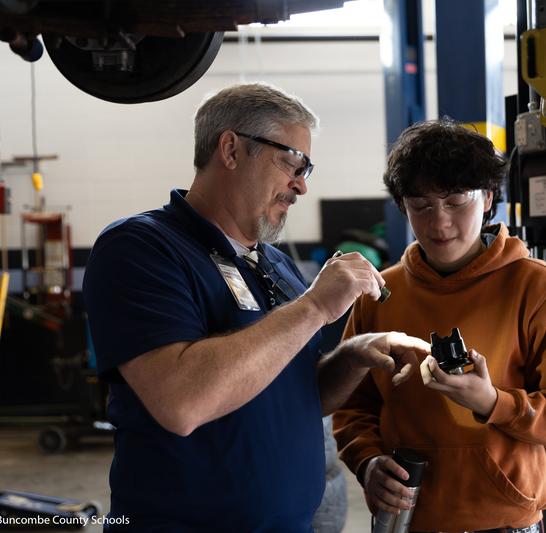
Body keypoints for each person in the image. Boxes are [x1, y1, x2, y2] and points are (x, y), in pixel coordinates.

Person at [82, 82, 430, 532]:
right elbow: (182, 402)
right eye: (291, 162)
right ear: (230, 149)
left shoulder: (275, 263)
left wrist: (354, 357)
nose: (300, 185)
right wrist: (314, 307)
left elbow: (295, 393)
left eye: (306, 169)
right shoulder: (141, 247)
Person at [333, 118, 546, 533]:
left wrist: (493, 402)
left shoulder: (537, 288)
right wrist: (366, 462)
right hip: (406, 517)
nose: (439, 223)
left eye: (456, 202)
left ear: (488, 197)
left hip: (505, 518)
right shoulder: (379, 294)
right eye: (421, 206)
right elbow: (352, 405)